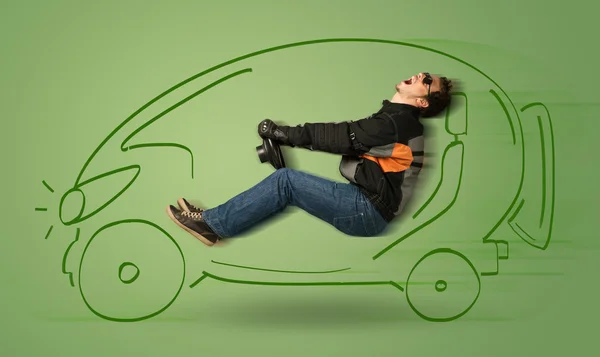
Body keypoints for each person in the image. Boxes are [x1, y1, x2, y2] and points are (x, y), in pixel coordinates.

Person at [166, 72, 454, 246]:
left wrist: (282, 133)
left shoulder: (398, 124)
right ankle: (212, 220)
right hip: (367, 205)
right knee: (286, 182)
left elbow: (342, 135)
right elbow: (352, 141)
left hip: (368, 211)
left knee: (286, 182)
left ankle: (211, 225)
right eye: (423, 73)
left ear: (422, 102)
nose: (419, 75)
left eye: (427, 81)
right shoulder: (397, 120)